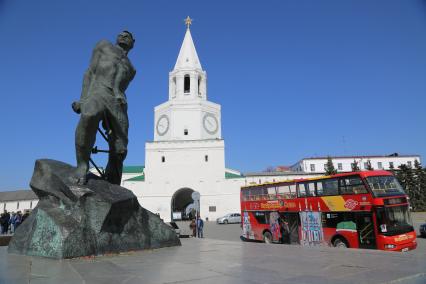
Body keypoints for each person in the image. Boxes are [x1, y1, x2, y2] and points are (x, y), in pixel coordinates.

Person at [72, 31, 137, 185]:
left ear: (133, 42)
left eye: (127, 35)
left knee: (120, 148)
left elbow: (122, 87)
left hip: (118, 103)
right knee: (89, 116)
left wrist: (118, 95)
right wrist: (83, 99)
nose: (123, 36)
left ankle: (114, 182)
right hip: (99, 91)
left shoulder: (132, 69)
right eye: (121, 34)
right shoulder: (104, 46)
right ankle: (82, 165)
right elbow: (89, 73)